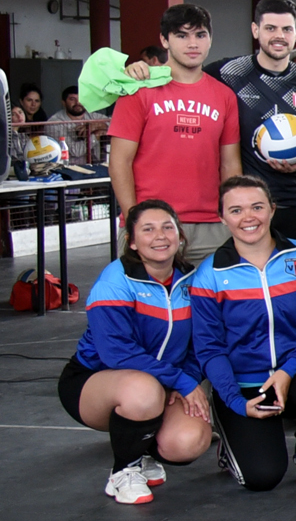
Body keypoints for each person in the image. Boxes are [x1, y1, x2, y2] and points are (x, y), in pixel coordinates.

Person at [189, 177, 296, 489]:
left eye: (257, 207)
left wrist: (288, 371)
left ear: (272, 210)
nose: (249, 217)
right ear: (222, 218)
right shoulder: (210, 275)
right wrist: (234, 399)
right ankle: (233, 437)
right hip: (243, 386)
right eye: (236, 210)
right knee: (262, 478)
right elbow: (209, 348)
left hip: (295, 373)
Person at [66, 201, 211, 505]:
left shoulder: (191, 281)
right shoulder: (115, 281)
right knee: (142, 389)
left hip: (161, 384)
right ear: (132, 241)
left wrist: (188, 378)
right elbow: (117, 354)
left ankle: (143, 451)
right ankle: (123, 471)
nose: (160, 236)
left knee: (189, 440)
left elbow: (201, 344)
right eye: (148, 229)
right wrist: (182, 383)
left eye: (167, 227)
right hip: (94, 383)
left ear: (180, 236)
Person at [107, 3, 243, 267]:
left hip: (211, 225)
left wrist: (234, 214)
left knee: (213, 307)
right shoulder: (138, 90)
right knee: (149, 306)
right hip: (152, 223)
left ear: (210, 39)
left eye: (200, 35)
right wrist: (134, 220)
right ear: (164, 40)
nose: (192, 44)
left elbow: (230, 164)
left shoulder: (224, 96)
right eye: (182, 35)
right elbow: (119, 162)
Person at [213, 0, 296, 244]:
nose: (279, 36)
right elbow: (182, 75)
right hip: (246, 205)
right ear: (255, 30)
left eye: (286, 29)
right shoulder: (228, 73)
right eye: (270, 28)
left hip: (293, 202)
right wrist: (143, 70)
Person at [47, 84, 94, 163]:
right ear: (63, 103)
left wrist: (97, 126)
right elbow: (76, 151)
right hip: (67, 169)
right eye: (72, 99)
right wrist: (96, 136)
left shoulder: (91, 115)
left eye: (81, 99)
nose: (78, 102)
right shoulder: (54, 122)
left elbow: (114, 123)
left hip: (95, 167)